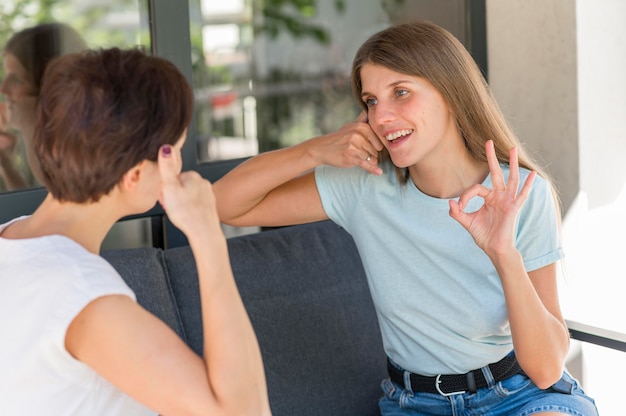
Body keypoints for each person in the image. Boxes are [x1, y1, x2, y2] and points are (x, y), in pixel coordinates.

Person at [214, 21, 598, 415]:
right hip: (416, 404)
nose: (382, 116)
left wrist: (503, 253)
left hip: (519, 396)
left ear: (449, 91)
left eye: (400, 93)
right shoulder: (363, 186)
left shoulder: (519, 196)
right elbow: (225, 205)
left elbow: (547, 367)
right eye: (371, 101)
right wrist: (314, 151)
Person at [0, 47, 271, 416]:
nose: (176, 165)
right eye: (171, 151)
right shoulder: (83, 297)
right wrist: (207, 234)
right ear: (135, 176)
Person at [0, 22, 87, 190]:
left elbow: (59, 195)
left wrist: (28, 125)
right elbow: (33, 207)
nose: (3, 89)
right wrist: (6, 164)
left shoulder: (82, 145)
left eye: (16, 79)